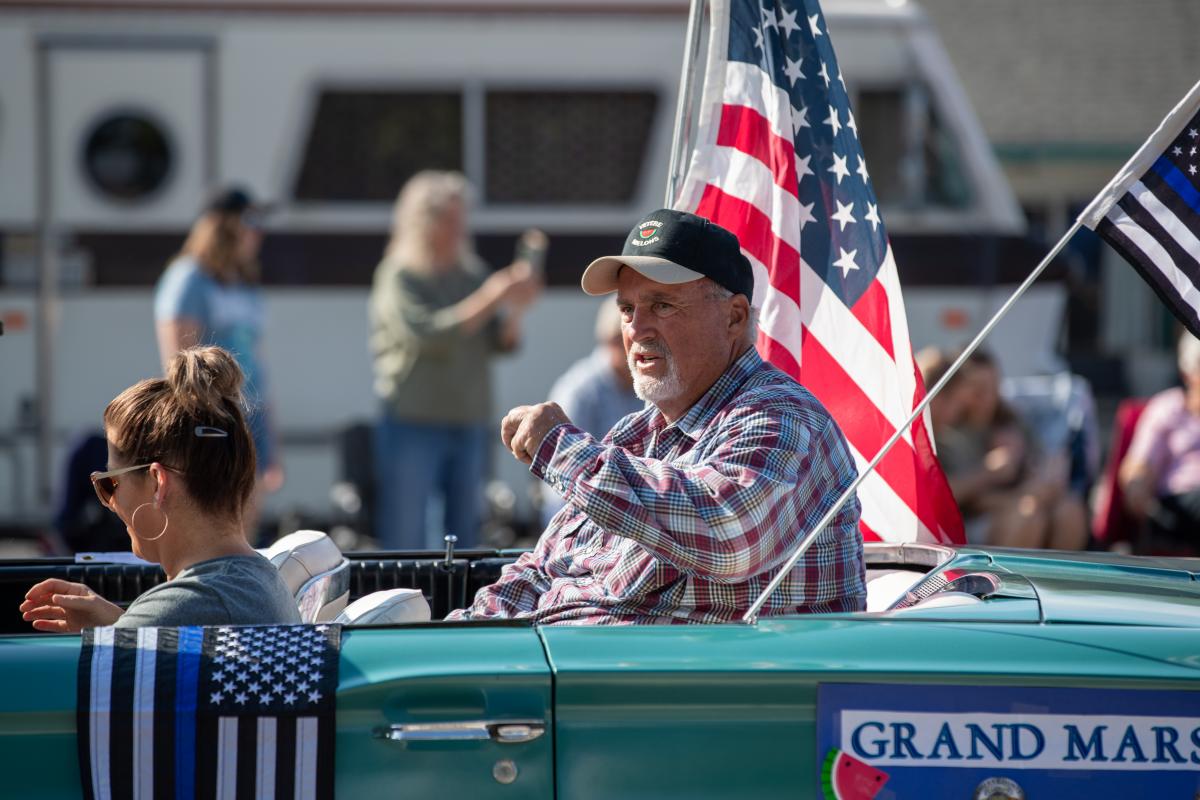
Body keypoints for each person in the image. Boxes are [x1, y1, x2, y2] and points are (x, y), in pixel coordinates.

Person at [447, 209, 865, 625]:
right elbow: (543, 570)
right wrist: (465, 635)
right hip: (584, 667)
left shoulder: (782, 416)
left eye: (661, 305)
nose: (636, 328)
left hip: (697, 680)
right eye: (626, 309)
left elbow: (727, 534)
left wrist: (560, 448)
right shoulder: (635, 434)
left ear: (734, 317)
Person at [20, 347, 301, 631]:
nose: (110, 503)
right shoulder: (263, 578)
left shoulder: (186, 606)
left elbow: (180, 622)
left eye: (109, 484)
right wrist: (119, 624)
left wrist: (127, 630)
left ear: (157, 482)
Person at [369, 170, 541, 550]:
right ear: (422, 223)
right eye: (448, 218)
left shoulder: (470, 273)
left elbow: (499, 342)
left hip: (468, 421)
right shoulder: (399, 276)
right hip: (413, 421)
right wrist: (493, 296)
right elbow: (426, 334)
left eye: (460, 218)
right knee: (406, 536)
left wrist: (515, 310)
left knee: (465, 537)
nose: (458, 227)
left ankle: (458, 608)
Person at [154, 186, 282, 541]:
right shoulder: (187, 280)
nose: (259, 233)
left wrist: (271, 436)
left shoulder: (245, 283)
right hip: (210, 417)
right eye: (251, 222)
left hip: (249, 414)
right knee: (212, 524)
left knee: (247, 520)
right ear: (223, 226)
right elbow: (177, 363)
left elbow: (258, 362)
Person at [924, 348, 1087, 550]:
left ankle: (1062, 580)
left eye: (994, 388)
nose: (988, 398)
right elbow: (959, 499)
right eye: (979, 391)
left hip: (1022, 500)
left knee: (1069, 511)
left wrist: (1039, 477)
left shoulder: (1010, 421)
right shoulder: (950, 433)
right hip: (980, 516)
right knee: (1026, 516)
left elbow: (1044, 461)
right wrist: (994, 473)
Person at [539, 301, 644, 528]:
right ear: (613, 341)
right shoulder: (580, 391)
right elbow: (561, 475)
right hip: (580, 515)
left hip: (632, 511)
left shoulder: (647, 384)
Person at [1119, 331, 1200, 555]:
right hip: (1177, 505)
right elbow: (1138, 464)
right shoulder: (1168, 408)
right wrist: (1137, 484)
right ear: (1188, 373)